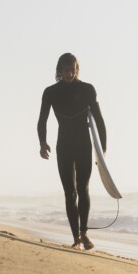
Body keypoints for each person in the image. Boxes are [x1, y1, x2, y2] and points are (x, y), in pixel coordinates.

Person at [37, 53, 107, 250]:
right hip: (64, 146)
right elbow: (42, 120)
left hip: (84, 145)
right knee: (70, 193)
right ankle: (75, 237)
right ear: (59, 71)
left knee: (83, 190)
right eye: (66, 70)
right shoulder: (50, 92)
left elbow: (99, 120)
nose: (70, 73)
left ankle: (84, 233)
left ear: (77, 69)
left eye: (73, 69)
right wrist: (43, 142)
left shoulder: (87, 89)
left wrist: (103, 148)